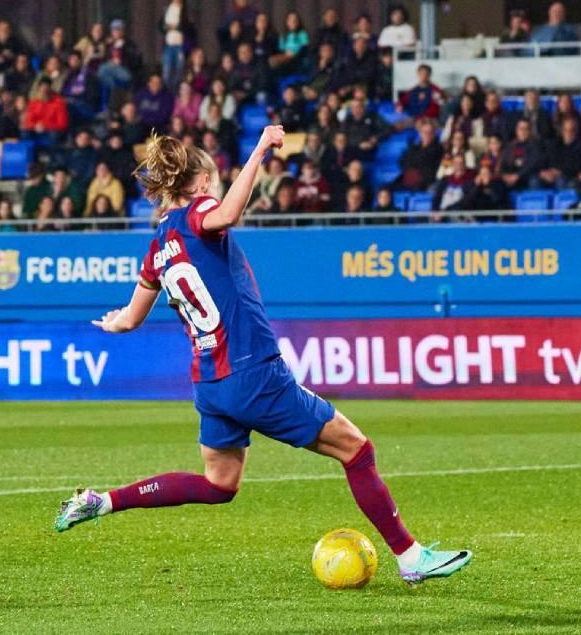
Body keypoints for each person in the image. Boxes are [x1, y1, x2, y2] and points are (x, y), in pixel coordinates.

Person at [57, 126, 472, 583]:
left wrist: (114, 320)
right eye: (212, 182)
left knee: (219, 485)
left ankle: (104, 501)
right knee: (357, 450)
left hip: (211, 385)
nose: (213, 190)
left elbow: (131, 319)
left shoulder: (157, 246)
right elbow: (229, 212)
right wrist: (258, 150)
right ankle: (411, 557)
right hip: (253, 372)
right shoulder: (201, 212)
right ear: (198, 185)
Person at [160, 0, 195, 88]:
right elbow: (161, 25)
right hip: (168, 44)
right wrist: (167, 27)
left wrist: (177, 26)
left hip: (180, 44)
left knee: (179, 72)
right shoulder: (167, 9)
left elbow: (189, 27)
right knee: (166, 72)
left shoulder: (186, 10)